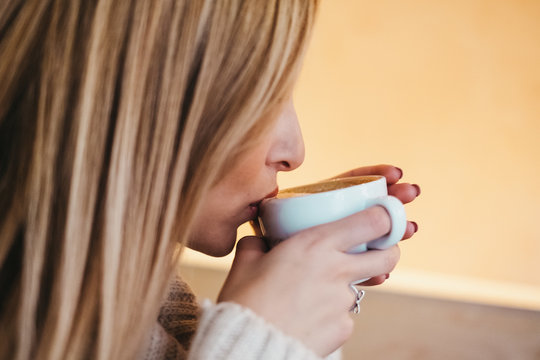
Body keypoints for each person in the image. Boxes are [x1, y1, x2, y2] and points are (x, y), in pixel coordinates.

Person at [0, 0, 420, 359]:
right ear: (140, 101)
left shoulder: (147, 316)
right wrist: (263, 342)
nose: (295, 153)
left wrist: (301, 316)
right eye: (264, 97)